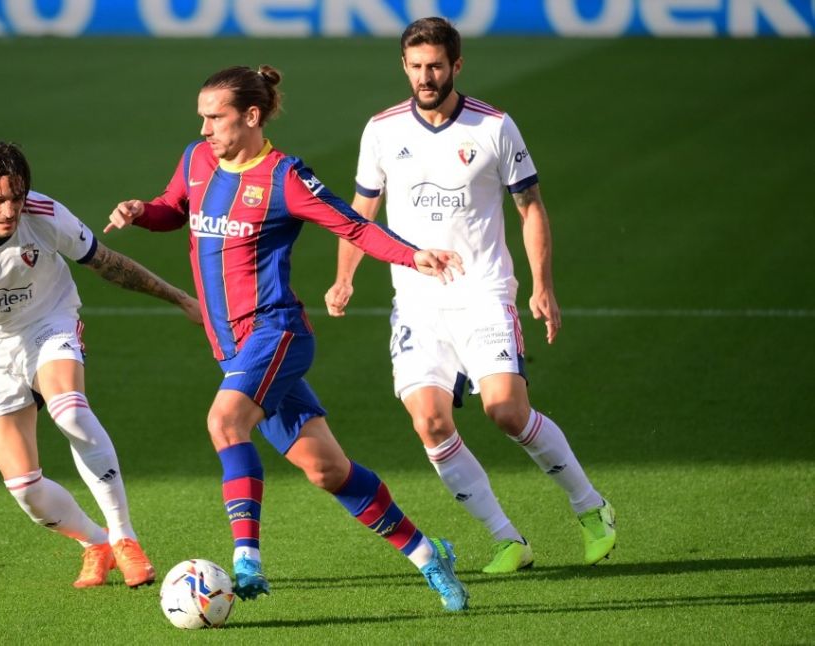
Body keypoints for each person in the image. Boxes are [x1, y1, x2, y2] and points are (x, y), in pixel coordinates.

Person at [104, 65, 469, 611]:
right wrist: (141, 212)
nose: (204, 129)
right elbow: (174, 208)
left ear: (250, 117)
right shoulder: (197, 159)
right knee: (328, 470)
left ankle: (246, 558)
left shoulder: (284, 178)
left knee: (225, 422)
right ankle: (427, 555)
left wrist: (413, 254)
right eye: (201, 117)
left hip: (276, 333)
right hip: (234, 349)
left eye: (214, 117)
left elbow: (354, 225)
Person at [324, 16, 617, 573]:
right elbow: (361, 214)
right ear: (404, 68)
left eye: (435, 65)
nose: (425, 76)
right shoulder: (382, 130)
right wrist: (345, 277)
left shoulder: (494, 127)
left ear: (456, 65)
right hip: (416, 299)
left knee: (506, 411)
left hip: (483, 291)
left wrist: (542, 287)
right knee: (430, 422)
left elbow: (530, 208)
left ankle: (591, 506)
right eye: (415, 66)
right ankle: (508, 539)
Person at [0, 142, 202, 589]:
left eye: (17, 197)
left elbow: (108, 264)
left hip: (49, 322)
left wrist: (180, 298)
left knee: (71, 410)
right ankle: (96, 543)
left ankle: (125, 538)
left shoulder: (44, 215)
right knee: (26, 488)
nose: (10, 210)